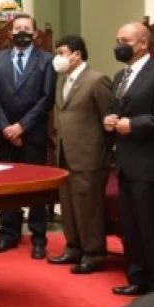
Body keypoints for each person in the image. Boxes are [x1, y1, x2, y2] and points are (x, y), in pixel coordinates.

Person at [0, 13, 55, 259]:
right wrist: (6, 127)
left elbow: (47, 98)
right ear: (10, 33)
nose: (22, 32)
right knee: (7, 186)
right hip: (5, 134)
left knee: (36, 187)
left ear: (35, 33)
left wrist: (21, 127)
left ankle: (38, 238)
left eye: (27, 28)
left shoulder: (47, 60)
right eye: (17, 28)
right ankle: (8, 234)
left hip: (32, 133)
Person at [46, 35, 112, 274]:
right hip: (65, 154)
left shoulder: (97, 80)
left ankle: (94, 254)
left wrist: (103, 154)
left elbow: (108, 120)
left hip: (89, 156)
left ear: (77, 54)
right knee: (69, 205)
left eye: (61, 53)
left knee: (88, 207)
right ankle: (73, 247)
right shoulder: (62, 81)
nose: (57, 58)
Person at [104, 22, 154, 295]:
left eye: (124, 41)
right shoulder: (119, 76)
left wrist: (134, 125)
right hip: (125, 165)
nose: (119, 46)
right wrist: (109, 119)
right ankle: (137, 278)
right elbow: (116, 110)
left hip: (150, 165)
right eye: (117, 41)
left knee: (151, 228)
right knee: (132, 227)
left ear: (143, 44)